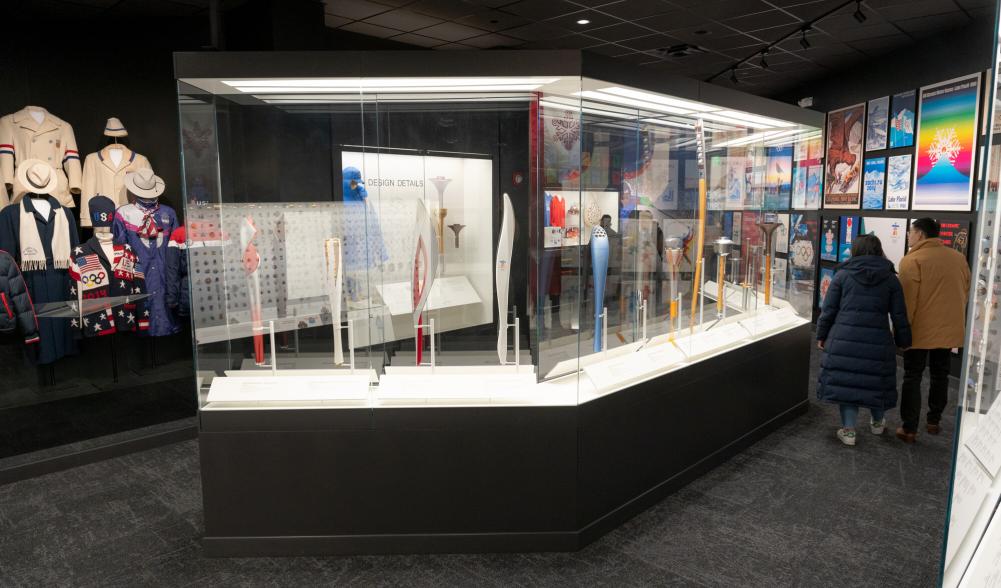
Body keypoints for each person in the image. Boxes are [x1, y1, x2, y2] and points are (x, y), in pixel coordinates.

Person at [817, 234, 911, 447]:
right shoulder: (890, 279)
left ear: (855, 250)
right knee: (875, 382)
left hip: (844, 339)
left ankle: (849, 431)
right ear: (879, 251)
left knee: (848, 384)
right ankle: (878, 423)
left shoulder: (842, 276)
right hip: (878, 340)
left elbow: (828, 310)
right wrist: (904, 341)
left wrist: (821, 335)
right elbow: (899, 315)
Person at [896, 218, 971, 443]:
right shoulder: (958, 258)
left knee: (912, 376)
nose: (908, 236)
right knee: (940, 375)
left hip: (919, 331)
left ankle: (909, 428)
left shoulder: (912, 260)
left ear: (919, 234)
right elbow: (965, 292)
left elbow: (908, 302)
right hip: (947, 330)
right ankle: (934, 421)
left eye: (910, 232)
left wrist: (902, 330)